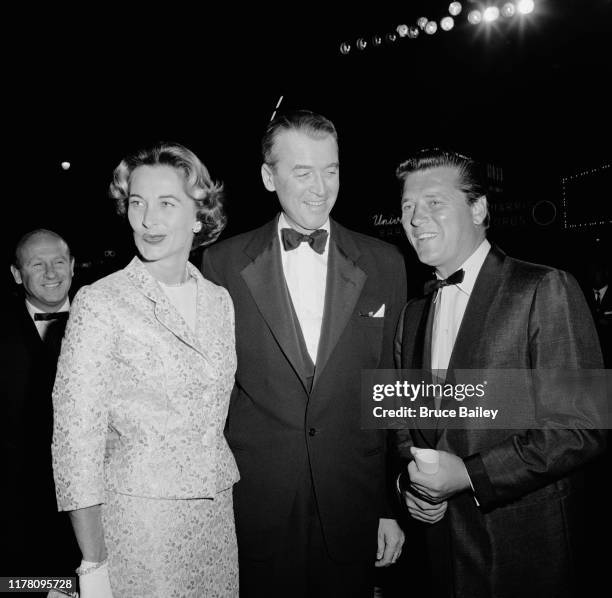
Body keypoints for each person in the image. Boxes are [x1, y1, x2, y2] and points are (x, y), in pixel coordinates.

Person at [202, 110, 407, 597]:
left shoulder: (385, 263)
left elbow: (390, 391)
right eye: (302, 172)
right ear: (268, 177)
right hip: (256, 502)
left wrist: (385, 505)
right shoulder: (221, 263)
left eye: (331, 170)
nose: (321, 188)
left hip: (351, 502)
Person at [393, 148, 605, 598]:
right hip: (440, 556)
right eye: (408, 206)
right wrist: (408, 487)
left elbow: (582, 426)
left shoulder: (544, 287)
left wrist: (469, 476)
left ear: (479, 208)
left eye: (434, 202)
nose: (415, 218)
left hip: (526, 551)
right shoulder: (410, 315)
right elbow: (402, 425)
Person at [52, 143, 240, 597]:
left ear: (200, 214)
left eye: (166, 203)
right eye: (137, 203)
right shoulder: (101, 302)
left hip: (215, 520)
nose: (147, 219)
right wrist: (93, 564)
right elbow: (76, 442)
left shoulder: (219, 301)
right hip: (140, 528)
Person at [2, 229, 80, 585]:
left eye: (58, 262)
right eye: (37, 264)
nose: (51, 273)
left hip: (98, 511)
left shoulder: (105, 320)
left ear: (73, 266)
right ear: (18, 275)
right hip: (21, 518)